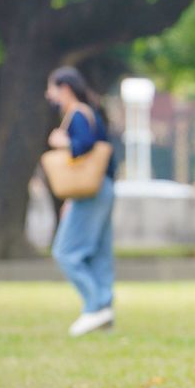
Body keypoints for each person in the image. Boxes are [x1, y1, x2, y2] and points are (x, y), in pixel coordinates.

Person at [45, 66, 117, 337]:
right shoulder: (92, 111)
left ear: (64, 88)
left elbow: (83, 146)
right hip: (103, 187)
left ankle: (96, 306)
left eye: (51, 88)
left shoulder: (77, 114)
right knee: (99, 252)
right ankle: (104, 309)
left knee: (65, 252)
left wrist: (60, 141)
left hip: (92, 189)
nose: (49, 95)